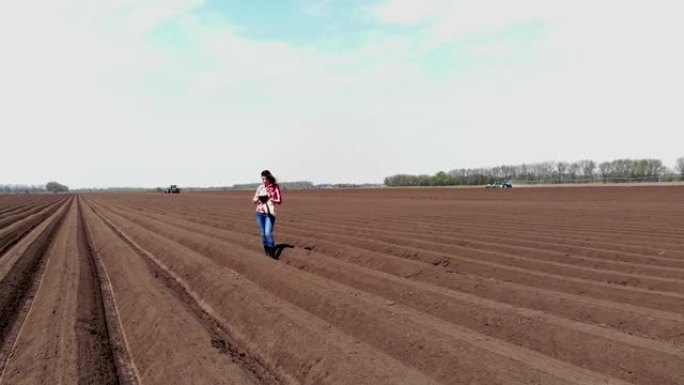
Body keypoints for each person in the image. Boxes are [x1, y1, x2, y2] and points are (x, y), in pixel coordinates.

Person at [253, 170, 282, 258]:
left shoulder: (275, 187)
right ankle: (267, 253)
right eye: (262, 179)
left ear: (269, 178)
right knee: (263, 234)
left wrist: (270, 198)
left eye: (265, 179)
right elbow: (254, 200)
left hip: (269, 212)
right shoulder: (260, 188)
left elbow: (279, 200)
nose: (264, 181)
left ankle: (272, 255)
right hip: (260, 213)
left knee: (268, 233)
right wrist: (259, 198)